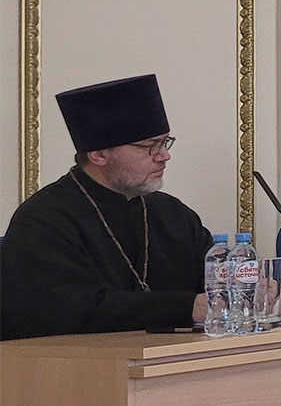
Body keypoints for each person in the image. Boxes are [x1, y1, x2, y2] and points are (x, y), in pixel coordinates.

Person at [1, 75, 214, 339]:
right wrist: (186, 308)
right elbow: (69, 310)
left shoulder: (174, 214)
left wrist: (249, 288)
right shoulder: (42, 221)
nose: (164, 156)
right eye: (149, 147)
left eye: (165, 142)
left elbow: (216, 279)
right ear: (99, 155)